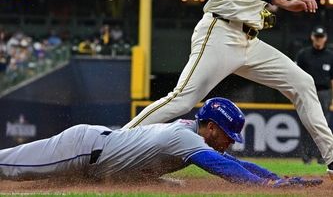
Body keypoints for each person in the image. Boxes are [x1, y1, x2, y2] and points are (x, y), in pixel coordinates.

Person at [122, 0, 333, 175]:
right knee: (181, 99)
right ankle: (113, 143)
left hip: (248, 40)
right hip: (220, 33)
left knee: (302, 82)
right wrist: (283, 2)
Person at [0, 97, 322, 187]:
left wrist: (276, 178)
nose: (230, 142)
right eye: (227, 135)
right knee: (10, 166)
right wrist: (265, 186)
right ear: (210, 127)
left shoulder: (191, 134)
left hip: (95, 161)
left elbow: (235, 162)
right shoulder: (183, 136)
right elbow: (223, 166)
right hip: (83, 148)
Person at [296, 26, 333, 164]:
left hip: (324, 92)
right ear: (312, 37)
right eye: (316, 37)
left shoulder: (330, 55)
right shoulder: (303, 54)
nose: (318, 39)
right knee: (306, 123)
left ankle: (322, 157)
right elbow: (296, 76)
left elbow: (332, 79)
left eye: (321, 37)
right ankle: (306, 156)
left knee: (323, 125)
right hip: (307, 92)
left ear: (325, 38)